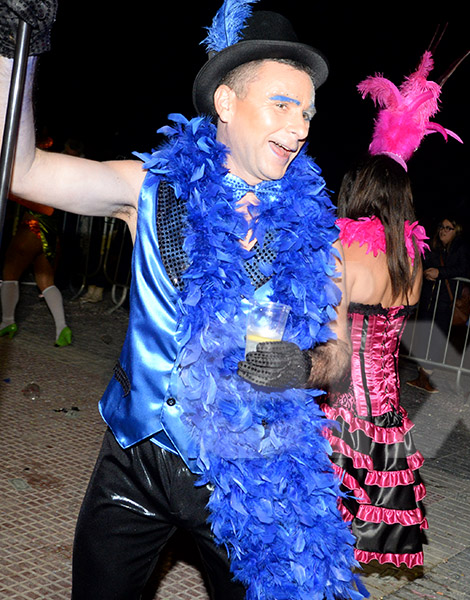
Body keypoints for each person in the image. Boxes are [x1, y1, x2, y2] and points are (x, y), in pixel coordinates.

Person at [0, 4, 361, 599]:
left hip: (249, 479)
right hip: (133, 462)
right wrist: (21, 57)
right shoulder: (149, 190)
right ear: (225, 103)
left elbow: (341, 358)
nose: (299, 127)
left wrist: (306, 367)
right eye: (281, 105)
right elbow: (24, 170)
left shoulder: (319, 234)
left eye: (306, 113)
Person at [322, 154, 429, 567]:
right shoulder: (413, 256)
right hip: (387, 420)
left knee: (318, 533)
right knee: (354, 540)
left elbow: (331, 340)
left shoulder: (342, 245)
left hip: (339, 414)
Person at [407, 216, 468, 393]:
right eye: (441, 226)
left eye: (448, 228)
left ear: (456, 231)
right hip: (428, 299)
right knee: (423, 336)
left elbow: (464, 269)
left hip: (445, 302)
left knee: (437, 339)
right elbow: (425, 264)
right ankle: (421, 376)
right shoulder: (434, 246)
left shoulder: (460, 248)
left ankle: (427, 376)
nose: (443, 230)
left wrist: (440, 272)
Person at [0, 194, 71, 346]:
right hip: (51, 230)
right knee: (46, 282)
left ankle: (7, 321)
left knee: (9, 274)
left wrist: (13, 195)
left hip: (33, 226)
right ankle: (62, 327)